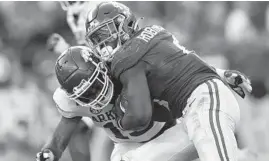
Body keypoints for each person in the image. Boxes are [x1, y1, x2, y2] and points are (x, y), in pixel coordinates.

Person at [84, 2, 252, 161]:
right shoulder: (154, 32)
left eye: (106, 34)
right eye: (97, 39)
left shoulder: (125, 58)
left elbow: (140, 116)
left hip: (206, 104)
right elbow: (184, 59)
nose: (103, 44)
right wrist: (222, 73)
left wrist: (120, 119)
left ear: (125, 25)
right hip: (195, 111)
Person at [35, 46, 199, 161]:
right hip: (128, 146)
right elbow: (58, 141)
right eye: (86, 95)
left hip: (167, 133)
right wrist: (47, 154)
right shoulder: (71, 103)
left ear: (103, 68)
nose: (96, 95)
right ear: (73, 96)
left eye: (96, 85)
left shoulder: (125, 72)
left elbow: (179, 80)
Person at [46, 2, 102, 161]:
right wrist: (66, 48)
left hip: (109, 72)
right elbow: (86, 53)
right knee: (77, 125)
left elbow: (106, 45)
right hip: (96, 71)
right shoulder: (74, 12)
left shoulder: (96, 7)